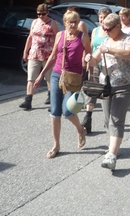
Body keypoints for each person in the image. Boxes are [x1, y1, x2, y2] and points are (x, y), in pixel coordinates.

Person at [34, 10, 92, 159]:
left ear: (78, 23)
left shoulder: (83, 37)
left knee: (67, 110)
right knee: (54, 111)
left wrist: (88, 62)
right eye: (69, 21)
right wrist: (40, 75)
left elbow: (89, 56)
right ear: (64, 22)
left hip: (73, 78)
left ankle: (80, 129)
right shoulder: (59, 35)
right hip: (56, 75)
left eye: (74, 21)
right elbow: (53, 56)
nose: (72, 24)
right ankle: (56, 145)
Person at [86, 13, 130, 170]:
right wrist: (89, 59)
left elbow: (129, 54)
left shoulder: (128, 39)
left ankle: (111, 155)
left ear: (118, 26)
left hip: (125, 85)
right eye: (103, 28)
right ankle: (114, 148)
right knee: (108, 119)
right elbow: (96, 60)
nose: (105, 31)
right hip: (107, 85)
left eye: (108, 29)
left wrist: (108, 49)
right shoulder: (106, 40)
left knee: (116, 119)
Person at [19, 3, 60, 110]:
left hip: (48, 54)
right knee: (31, 78)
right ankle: (28, 100)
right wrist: (25, 51)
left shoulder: (52, 23)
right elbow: (30, 37)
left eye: (43, 14)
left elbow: (58, 37)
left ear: (47, 13)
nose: (41, 16)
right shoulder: (34, 22)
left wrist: (56, 51)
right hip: (34, 53)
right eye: (39, 14)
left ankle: (51, 98)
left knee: (49, 78)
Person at [81, 6, 112, 134]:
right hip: (94, 63)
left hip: (107, 66)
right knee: (92, 91)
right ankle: (88, 117)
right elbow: (90, 47)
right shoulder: (95, 30)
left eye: (105, 18)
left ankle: (109, 122)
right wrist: (88, 62)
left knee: (107, 94)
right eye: (100, 17)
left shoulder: (112, 32)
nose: (102, 20)